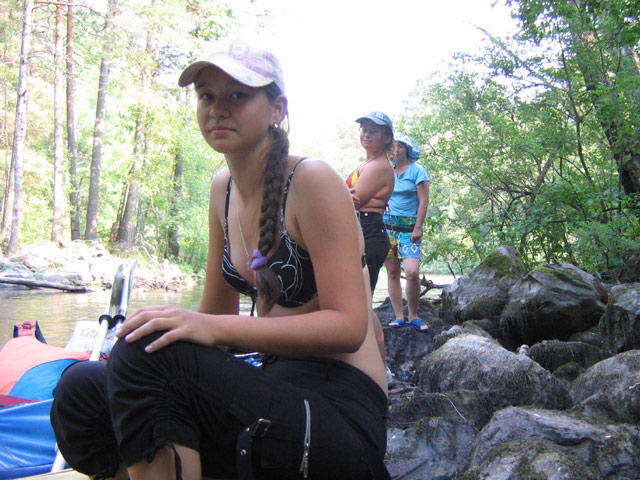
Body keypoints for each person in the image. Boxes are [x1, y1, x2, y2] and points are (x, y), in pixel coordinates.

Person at [50, 37, 390, 480]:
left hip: (339, 417)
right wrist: (155, 333)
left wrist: (202, 332)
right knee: (82, 389)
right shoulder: (222, 188)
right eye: (207, 96)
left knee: (143, 360)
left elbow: (348, 326)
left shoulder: (312, 180)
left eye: (238, 95)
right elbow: (214, 316)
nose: (218, 109)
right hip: (273, 393)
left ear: (277, 108)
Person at [384, 132, 430, 332]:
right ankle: (398, 316)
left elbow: (424, 200)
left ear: (407, 149)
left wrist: (418, 227)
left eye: (400, 146)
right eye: (393, 146)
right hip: (387, 229)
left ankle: (413, 315)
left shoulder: (417, 171)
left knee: (412, 272)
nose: (396, 150)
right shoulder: (386, 170)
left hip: (409, 230)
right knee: (392, 271)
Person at [346, 111, 395, 293]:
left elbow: (354, 201)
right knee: (356, 295)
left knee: (360, 296)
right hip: (362, 231)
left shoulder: (378, 166)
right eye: (364, 129)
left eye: (373, 131)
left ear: (387, 138)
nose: (366, 134)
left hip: (369, 232)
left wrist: (340, 194)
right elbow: (347, 198)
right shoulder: (367, 164)